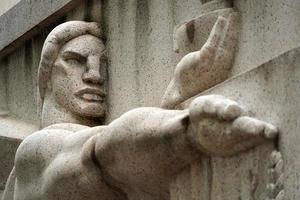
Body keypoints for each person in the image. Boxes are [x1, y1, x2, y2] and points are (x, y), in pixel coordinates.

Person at [2, 17, 277, 200]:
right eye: (75, 61)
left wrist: (177, 94)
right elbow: (101, 155)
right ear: (47, 76)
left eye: (104, 65)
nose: (94, 76)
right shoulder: (34, 152)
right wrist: (188, 132)